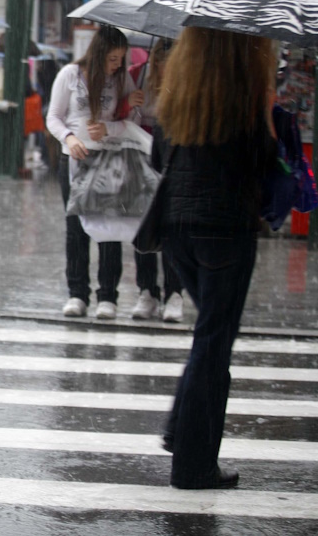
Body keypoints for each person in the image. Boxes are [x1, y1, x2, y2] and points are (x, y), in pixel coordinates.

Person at [154, 27, 276, 490]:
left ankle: (180, 430)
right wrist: (266, 114)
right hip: (225, 229)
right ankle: (193, 464)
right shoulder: (241, 96)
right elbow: (261, 163)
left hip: (178, 228)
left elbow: (157, 155)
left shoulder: (180, 94)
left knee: (207, 337)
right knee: (214, 344)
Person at [45, 25, 143, 319]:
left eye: (120, 60)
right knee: (76, 228)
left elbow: (131, 120)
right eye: (112, 58)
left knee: (108, 226)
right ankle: (77, 293)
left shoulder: (120, 79)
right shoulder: (70, 76)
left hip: (108, 158)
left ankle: (107, 295)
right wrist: (70, 138)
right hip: (74, 160)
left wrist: (109, 127)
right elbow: (53, 117)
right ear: (99, 52)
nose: (116, 65)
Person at [130, 39, 184, 322]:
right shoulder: (137, 76)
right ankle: (146, 290)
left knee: (172, 229)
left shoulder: (186, 88)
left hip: (171, 160)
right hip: (140, 158)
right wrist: (132, 106)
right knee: (144, 225)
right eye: (161, 65)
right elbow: (123, 116)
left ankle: (175, 292)